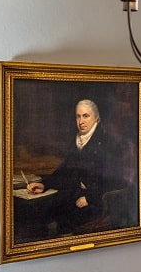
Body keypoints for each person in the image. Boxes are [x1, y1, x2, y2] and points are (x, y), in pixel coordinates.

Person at [23, 99, 127, 235]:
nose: (81, 121)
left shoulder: (109, 143)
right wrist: (43, 184)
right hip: (74, 193)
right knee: (39, 209)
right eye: (78, 116)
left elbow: (115, 179)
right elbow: (65, 170)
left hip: (98, 200)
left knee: (63, 220)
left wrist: (90, 198)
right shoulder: (78, 140)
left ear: (96, 118)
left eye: (86, 116)